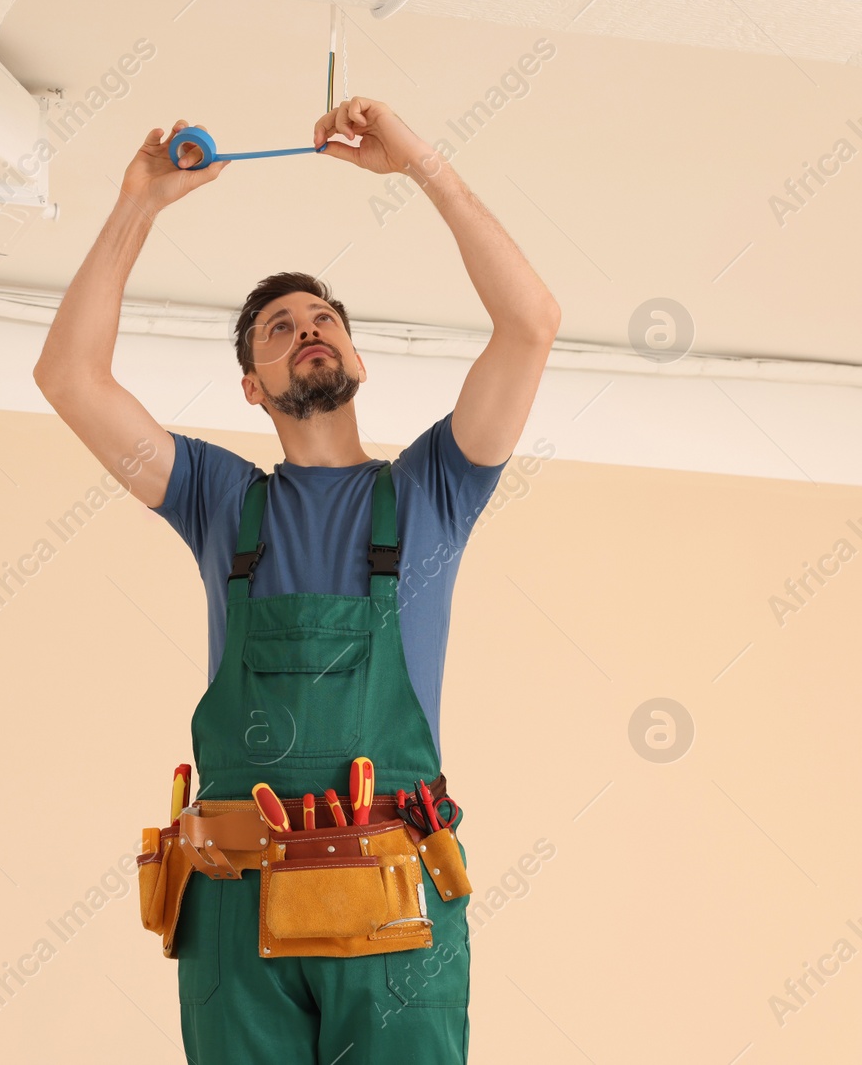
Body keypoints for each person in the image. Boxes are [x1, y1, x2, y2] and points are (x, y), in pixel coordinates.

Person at [32, 98, 558, 1063]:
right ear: (252, 385)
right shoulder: (216, 499)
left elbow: (531, 322)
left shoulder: (436, 487)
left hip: (395, 898)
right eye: (278, 328)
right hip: (237, 904)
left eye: (323, 319)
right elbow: (68, 375)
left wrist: (422, 167)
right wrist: (138, 207)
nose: (306, 329)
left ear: (355, 356)